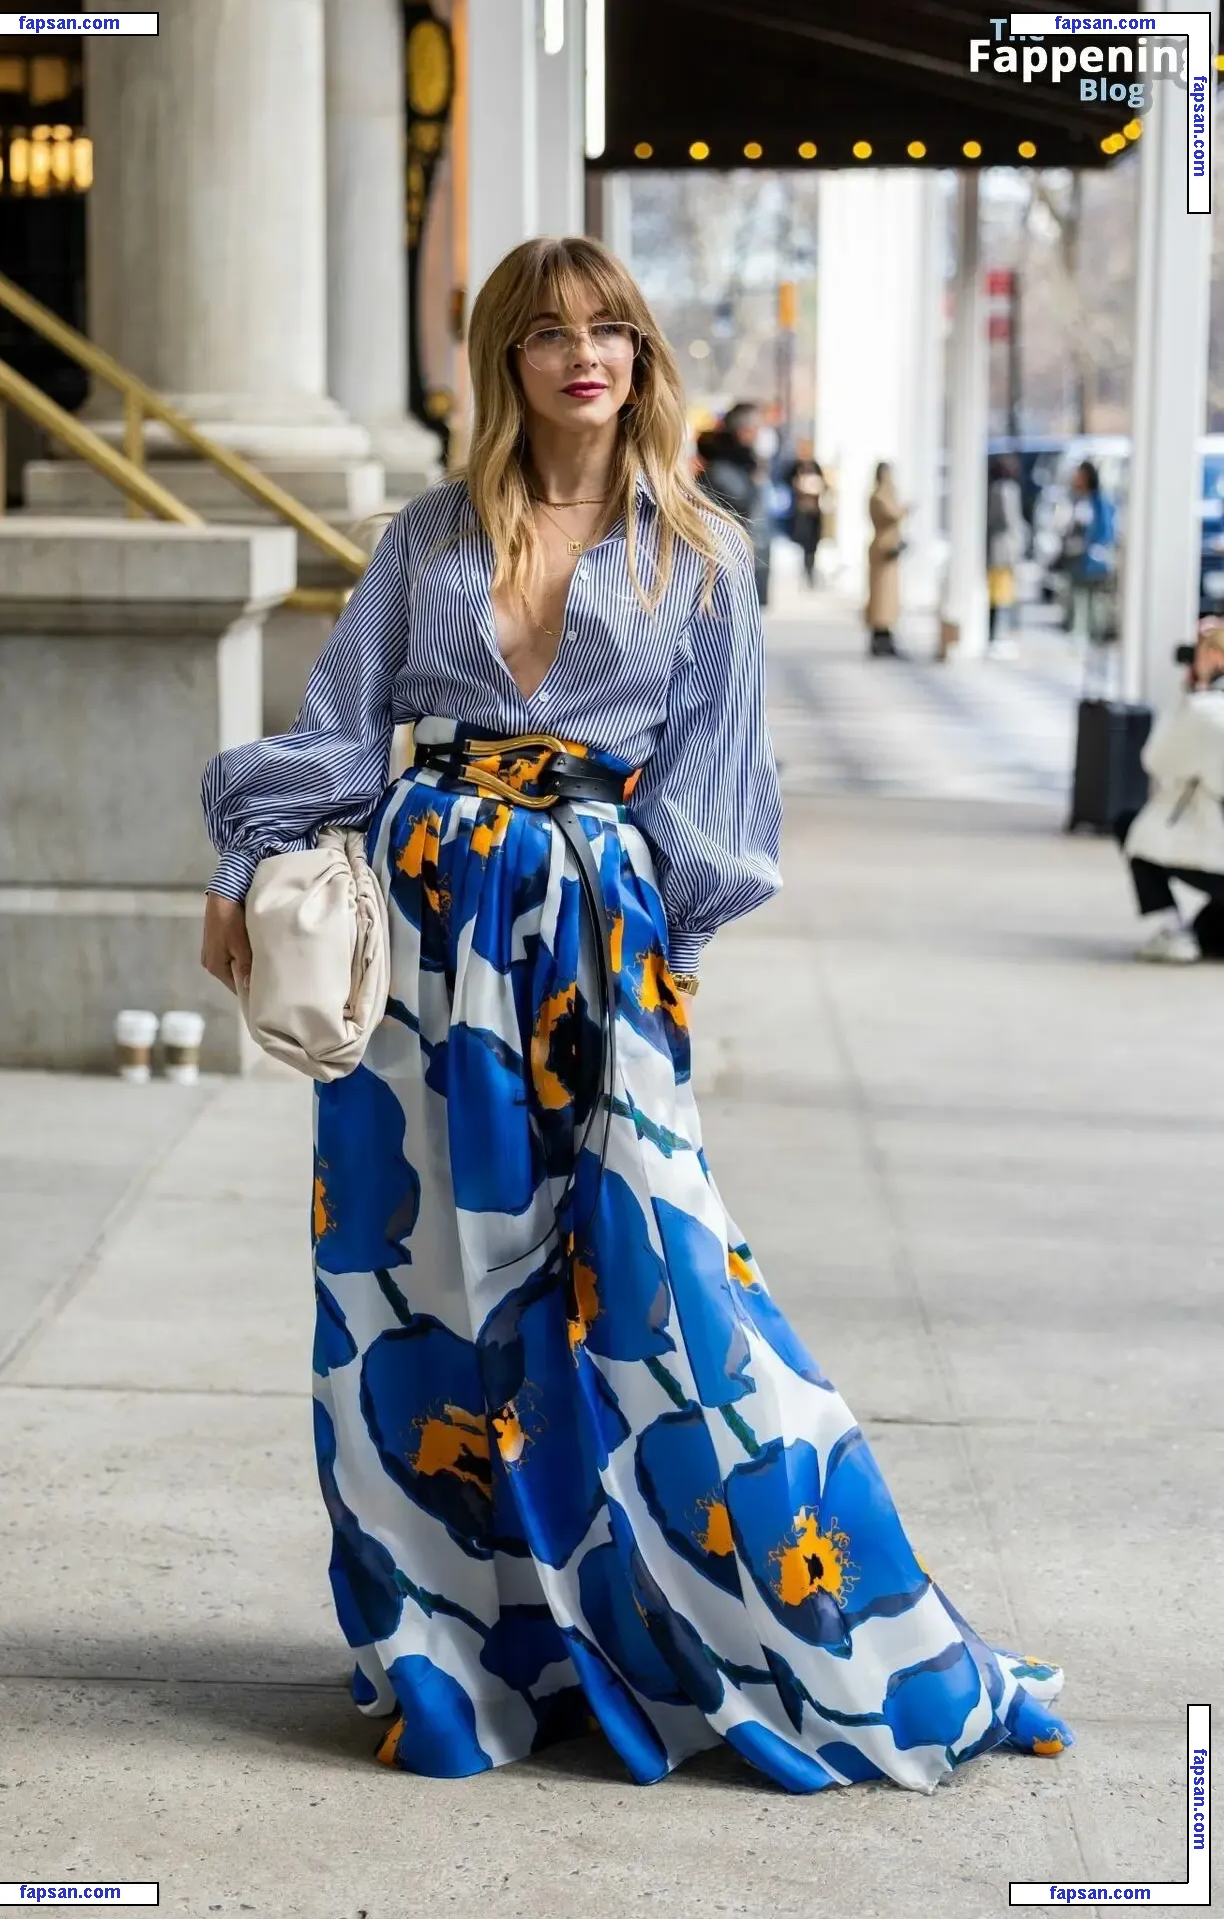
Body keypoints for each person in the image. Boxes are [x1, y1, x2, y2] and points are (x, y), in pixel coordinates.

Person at [200, 235, 1070, 1791]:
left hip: (595, 955)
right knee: (411, 1297)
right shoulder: (426, 538)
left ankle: (865, 1644)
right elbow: (336, 734)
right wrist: (241, 861)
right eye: (549, 332)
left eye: (609, 328)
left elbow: (716, 801)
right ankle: (445, 1652)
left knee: (664, 1296)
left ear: (643, 356)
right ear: (506, 360)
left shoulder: (705, 553)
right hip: (421, 945)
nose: (583, 354)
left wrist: (666, 973)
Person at [1120, 619, 1224, 963]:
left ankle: (1172, 932)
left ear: (1213, 656)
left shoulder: (1207, 711)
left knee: (1134, 829)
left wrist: (1192, 692)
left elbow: (1157, 759)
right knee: (1209, 934)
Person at [696, 401, 772, 606]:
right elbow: (744, 515)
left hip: (742, 563)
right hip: (733, 568)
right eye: (757, 429)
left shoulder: (741, 465)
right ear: (744, 431)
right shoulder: (724, 471)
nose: (760, 435)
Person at [1063, 460, 1117, 687]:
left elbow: (1105, 532)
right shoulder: (1075, 500)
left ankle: (1097, 662)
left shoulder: (1099, 502)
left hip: (1094, 567)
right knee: (1078, 605)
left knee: (1096, 613)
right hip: (1077, 564)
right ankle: (1081, 645)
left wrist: (1092, 549)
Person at [986, 453, 1027, 660]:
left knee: (998, 595)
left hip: (997, 549)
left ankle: (996, 637)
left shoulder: (994, 489)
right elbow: (1011, 521)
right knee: (1002, 596)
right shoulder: (1007, 490)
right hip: (1005, 551)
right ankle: (999, 637)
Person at [866, 460, 907, 657]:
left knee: (888, 598)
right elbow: (893, 514)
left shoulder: (883, 495)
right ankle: (880, 637)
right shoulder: (880, 496)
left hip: (888, 549)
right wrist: (905, 509)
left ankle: (885, 635)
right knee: (882, 598)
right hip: (883, 550)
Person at [779, 436, 825, 585]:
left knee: (813, 543)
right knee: (802, 541)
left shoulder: (815, 466)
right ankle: (803, 571)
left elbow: (823, 484)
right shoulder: (795, 466)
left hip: (814, 511)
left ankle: (810, 570)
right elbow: (785, 479)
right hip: (801, 510)